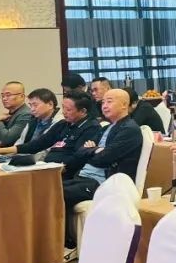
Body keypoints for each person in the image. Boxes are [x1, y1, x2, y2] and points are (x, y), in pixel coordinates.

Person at [61, 89, 143, 250]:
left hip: (101, 183)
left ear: (124, 104)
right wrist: (94, 150)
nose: (104, 106)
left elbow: (103, 158)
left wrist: (92, 151)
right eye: (103, 102)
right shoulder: (106, 128)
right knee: (48, 189)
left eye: (109, 101)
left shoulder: (130, 130)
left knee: (56, 194)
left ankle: (63, 244)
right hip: (83, 177)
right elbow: (80, 152)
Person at [0, 91, 99, 176]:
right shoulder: (63, 124)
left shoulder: (91, 128)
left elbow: (78, 158)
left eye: (68, 110)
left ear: (83, 111)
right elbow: (37, 144)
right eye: (63, 108)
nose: (64, 112)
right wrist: (1, 150)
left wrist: (58, 169)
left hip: (63, 172)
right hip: (46, 167)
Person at [0, 81, 32, 147]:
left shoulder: (26, 114)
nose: (4, 99)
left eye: (8, 95)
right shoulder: (7, 116)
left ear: (22, 96)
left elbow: (8, 139)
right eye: (2, 96)